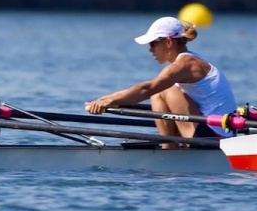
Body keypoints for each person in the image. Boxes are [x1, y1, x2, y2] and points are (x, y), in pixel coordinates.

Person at [85, 16, 237, 148]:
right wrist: (104, 100)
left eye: (153, 44)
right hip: (212, 132)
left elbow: (147, 89)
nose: (150, 50)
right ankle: (170, 148)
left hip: (216, 139)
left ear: (169, 42)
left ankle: (169, 151)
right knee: (158, 94)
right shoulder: (187, 60)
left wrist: (109, 100)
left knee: (162, 90)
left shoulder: (185, 64)